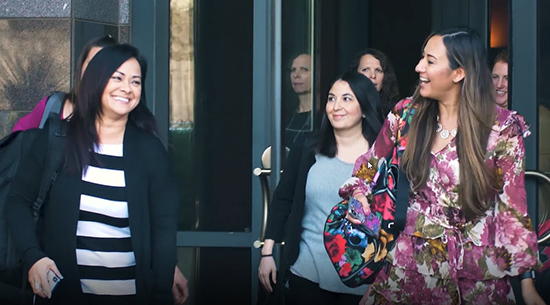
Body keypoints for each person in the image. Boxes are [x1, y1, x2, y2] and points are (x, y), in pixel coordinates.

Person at [340, 27, 542, 305]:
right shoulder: (406, 115)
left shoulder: (502, 128)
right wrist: (359, 195)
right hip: (410, 267)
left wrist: (527, 287)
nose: (418, 66)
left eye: (430, 61)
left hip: (477, 277)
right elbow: (367, 167)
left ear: (459, 73)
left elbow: (513, 212)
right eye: (422, 58)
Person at [11, 36, 189, 305]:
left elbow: (164, 231)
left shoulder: (150, 151)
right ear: (95, 81)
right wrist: (34, 256)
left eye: (135, 81)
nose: (127, 88)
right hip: (66, 295)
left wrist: (161, 291)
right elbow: (18, 202)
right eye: (117, 78)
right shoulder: (57, 140)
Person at [259, 71, 384, 305]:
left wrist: (384, 283)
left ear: (365, 109)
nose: (336, 106)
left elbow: (394, 223)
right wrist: (267, 252)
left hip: (364, 280)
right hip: (307, 272)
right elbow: (283, 199)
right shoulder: (308, 148)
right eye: (331, 98)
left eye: (347, 99)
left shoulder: (382, 158)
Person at [349, 48, 400, 116]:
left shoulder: (395, 113)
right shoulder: (346, 108)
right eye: (365, 70)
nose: (373, 75)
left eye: (378, 70)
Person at [285, 53, 314, 147]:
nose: (296, 75)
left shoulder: (323, 116)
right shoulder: (285, 115)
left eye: (304, 70)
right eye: (293, 70)